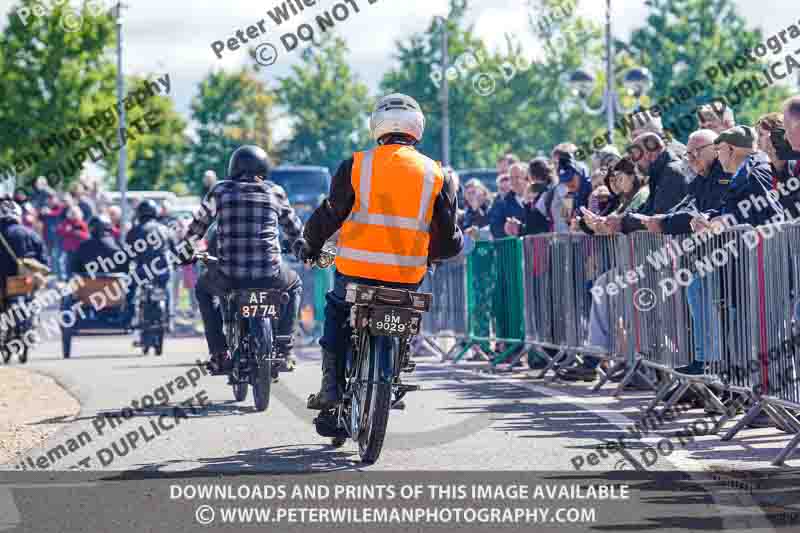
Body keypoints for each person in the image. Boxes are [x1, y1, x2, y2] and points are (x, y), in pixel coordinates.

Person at [297, 93, 463, 414]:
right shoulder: (436, 174)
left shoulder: (357, 165)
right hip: (406, 276)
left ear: (377, 126)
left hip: (355, 273)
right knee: (403, 314)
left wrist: (312, 244)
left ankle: (331, 386)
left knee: (336, 310)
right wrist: (434, 256)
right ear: (418, 127)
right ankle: (395, 372)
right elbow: (447, 237)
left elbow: (330, 215)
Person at [180, 146, 304, 373]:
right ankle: (285, 350)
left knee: (203, 289)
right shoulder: (275, 192)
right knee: (295, 284)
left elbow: (196, 229)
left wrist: (185, 252)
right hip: (270, 274)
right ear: (263, 168)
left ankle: (219, 353)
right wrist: (303, 250)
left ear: (233, 168)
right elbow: (296, 232)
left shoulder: (219, 191)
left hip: (230, 276)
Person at [125, 200, 178, 327]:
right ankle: (170, 318)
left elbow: (127, 254)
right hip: (162, 271)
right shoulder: (165, 229)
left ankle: (129, 317)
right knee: (167, 289)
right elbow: (175, 252)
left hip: (142, 272)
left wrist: (128, 266)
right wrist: (175, 265)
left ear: (139, 213)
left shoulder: (134, 231)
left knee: (131, 290)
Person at [0, 197, 47, 301]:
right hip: (23, 284)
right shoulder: (31, 234)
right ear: (18, 214)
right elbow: (44, 262)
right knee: (26, 313)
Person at [489, 163, 529, 238]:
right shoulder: (503, 202)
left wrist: (520, 227)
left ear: (527, 178)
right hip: (514, 247)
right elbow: (494, 227)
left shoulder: (534, 198)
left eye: (517, 177)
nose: (514, 181)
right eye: (511, 178)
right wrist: (506, 228)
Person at [56, 205, 89, 278]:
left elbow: (86, 236)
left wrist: (77, 233)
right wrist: (70, 231)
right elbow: (59, 231)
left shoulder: (82, 223)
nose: (73, 215)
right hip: (69, 249)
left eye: (75, 213)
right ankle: (68, 279)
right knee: (68, 265)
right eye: (72, 213)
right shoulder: (66, 222)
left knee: (78, 267)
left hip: (79, 249)